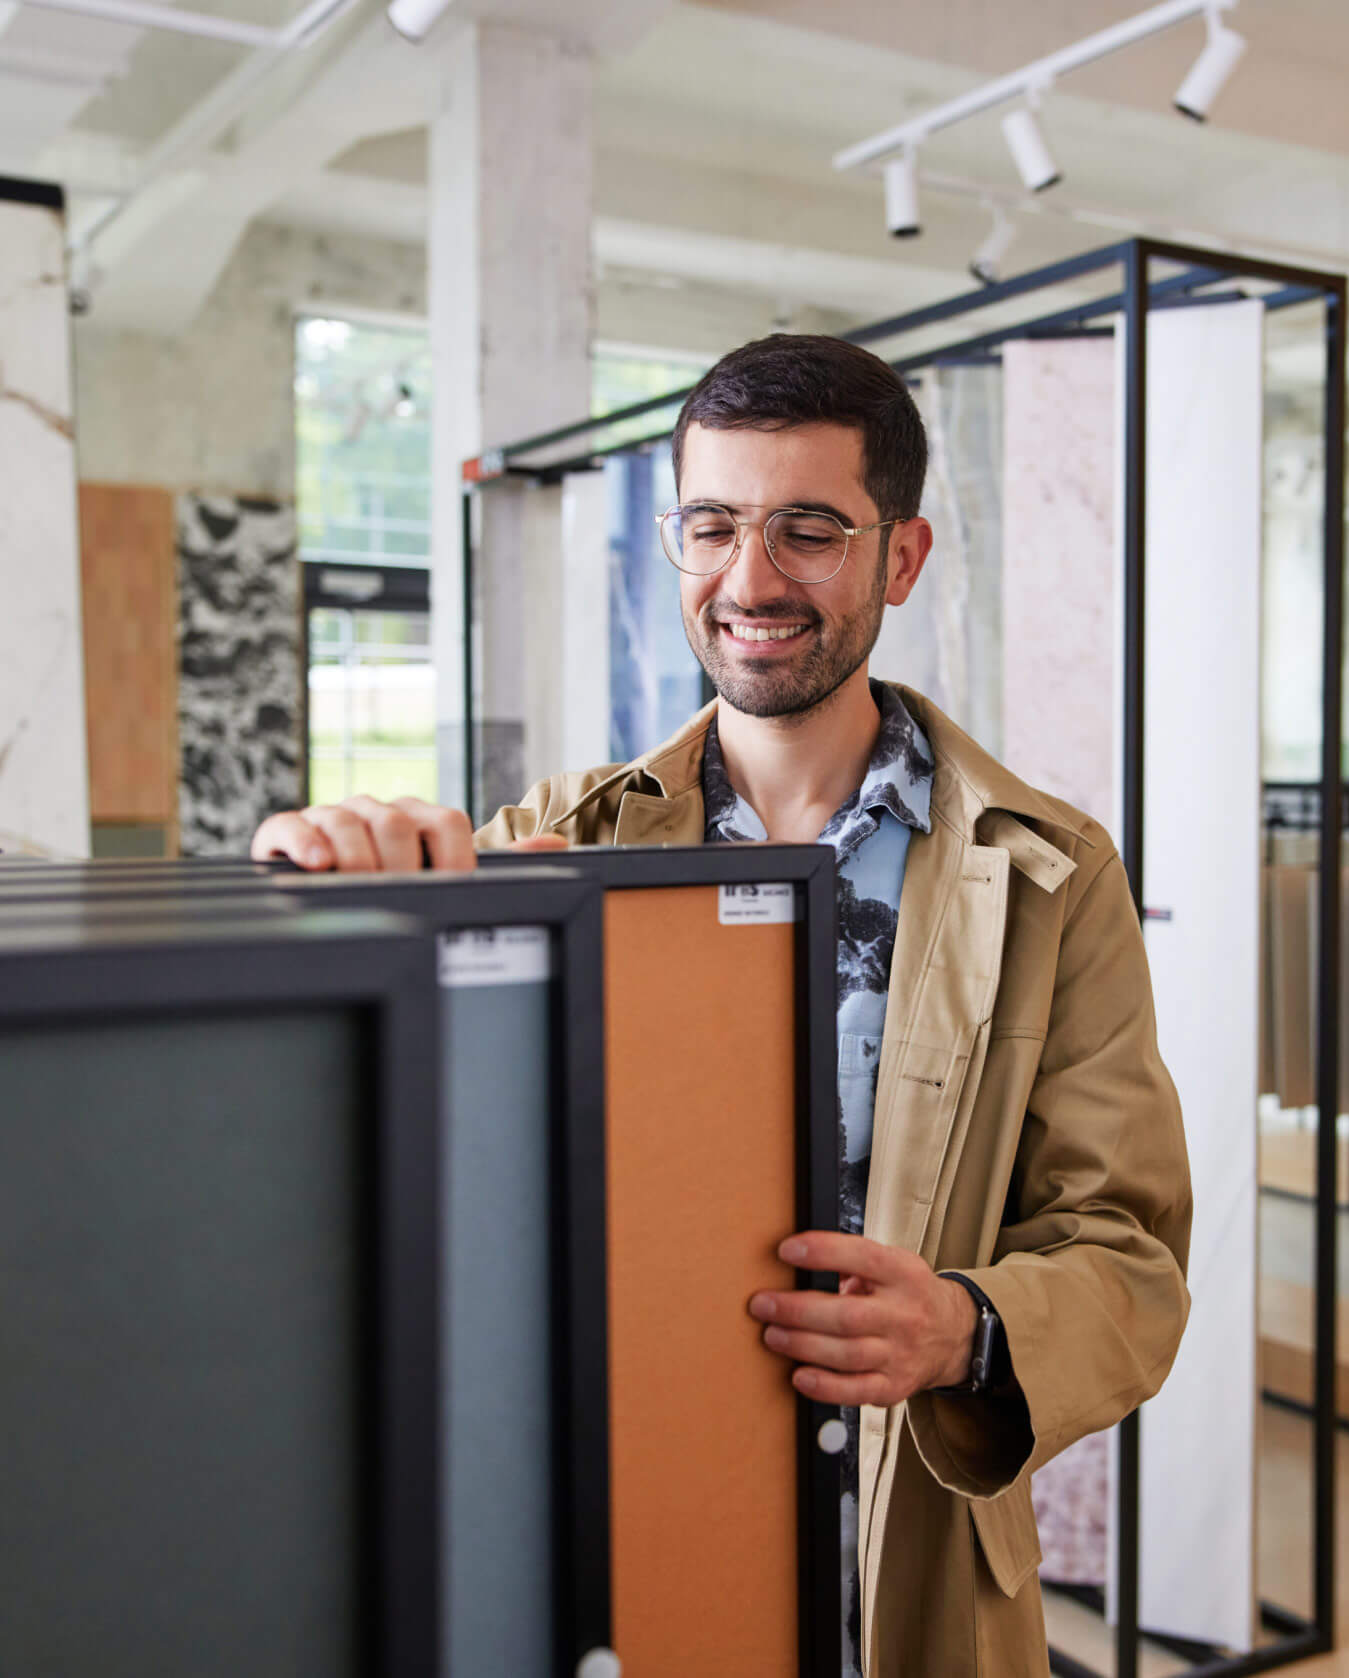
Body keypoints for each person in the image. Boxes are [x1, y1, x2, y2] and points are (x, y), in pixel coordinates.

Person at [253, 334, 1192, 1678]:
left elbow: (1133, 1256)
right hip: (626, 1530)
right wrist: (326, 874)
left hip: (908, 1566)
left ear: (902, 557)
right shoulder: (553, 846)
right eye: (714, 527)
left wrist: (967, 1323)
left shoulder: (1048, 874)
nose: (753, 579)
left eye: (810, 530)